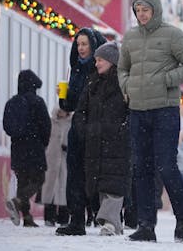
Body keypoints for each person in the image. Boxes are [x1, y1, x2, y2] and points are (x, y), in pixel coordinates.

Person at [118, 0, 183, 243]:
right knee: (140, 168)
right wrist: (127, 86)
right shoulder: (130, 38)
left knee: (166, 165)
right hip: (138, 111)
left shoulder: (172, 35)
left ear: (155, 9)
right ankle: (146, 225)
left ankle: (182, 214)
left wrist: (167, 79)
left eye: (146, 9)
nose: (142, 15)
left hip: (164, 109)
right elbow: (122, 69)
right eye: (138, 10)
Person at [73, 41, 130, 236]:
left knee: (113, 184)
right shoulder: (92, 84)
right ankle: (113, 224)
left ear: (112, 61)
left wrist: (123, 130)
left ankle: (110, 223)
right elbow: (80, 111)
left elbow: (132, 111)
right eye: (96, 60)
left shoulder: (124, 84)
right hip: (94, 142)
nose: (96, 64)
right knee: (99, 184)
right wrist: (84, 130)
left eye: (100, 60)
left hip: (116, 143)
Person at [56, 27, 107, 236]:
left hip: (96, 127)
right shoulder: (76, 69)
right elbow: (72, 104)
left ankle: (104, 216)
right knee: (74, 175)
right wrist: (63, 98)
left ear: (94, 46)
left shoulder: (101, 70)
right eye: (78, 44)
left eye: (85, 44)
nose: (81, 48)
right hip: (77, 127)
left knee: (95, 175)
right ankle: (76, 220)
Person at [3, 69, 51, 228]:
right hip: (35, 147)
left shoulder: (12, 102)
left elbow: (7, 125)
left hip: (17, 148)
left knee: (22, 182)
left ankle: (28, 218)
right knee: (39, 179)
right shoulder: (37, 102)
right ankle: (17, 202)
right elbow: (46, 126)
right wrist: (43, 142)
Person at [41, 105, 71, 226]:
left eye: (64, 110)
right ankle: (49, 217)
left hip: (65, 159)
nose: (61, 113)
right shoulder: (51, 123)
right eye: (60, 110)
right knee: (50, 189)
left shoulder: (71, 123)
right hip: (51, 158)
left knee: (64, 189)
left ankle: (63, 218)